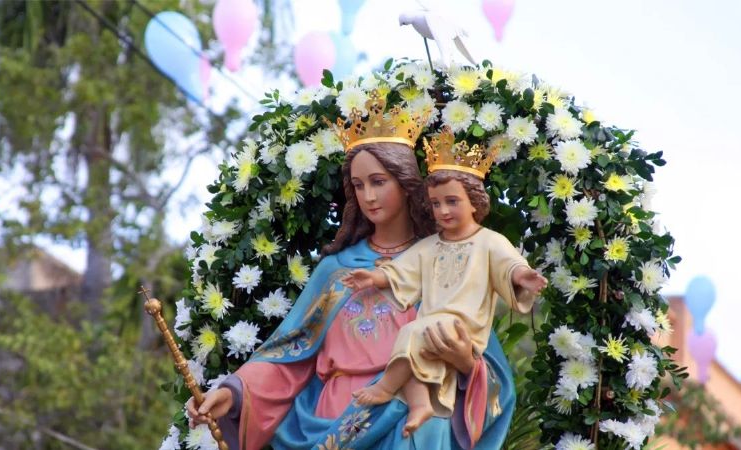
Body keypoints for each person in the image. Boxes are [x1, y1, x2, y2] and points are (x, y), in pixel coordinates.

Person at [187, 108, 517, 449]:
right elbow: (290, 357)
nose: (368, 196)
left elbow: (493, 375)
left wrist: (466, 363)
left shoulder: (442, 263)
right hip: (337, 417)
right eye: (359, 186)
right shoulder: (336, 270)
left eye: (379, 181)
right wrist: (232, 393)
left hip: (414, 426)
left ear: (405, 184)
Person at [344, 131, 548, 438]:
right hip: (432, 323)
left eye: (452, 202)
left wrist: (524, 277)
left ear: (475, 202)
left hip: (463, 328)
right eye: (436, 204)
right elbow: (404, 271)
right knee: (416, 345)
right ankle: (420, 405)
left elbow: (509, 265)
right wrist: (374, 277)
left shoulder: (489, 242)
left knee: (412, 333)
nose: (443, 211)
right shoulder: (431, 245)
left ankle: (386, 387)